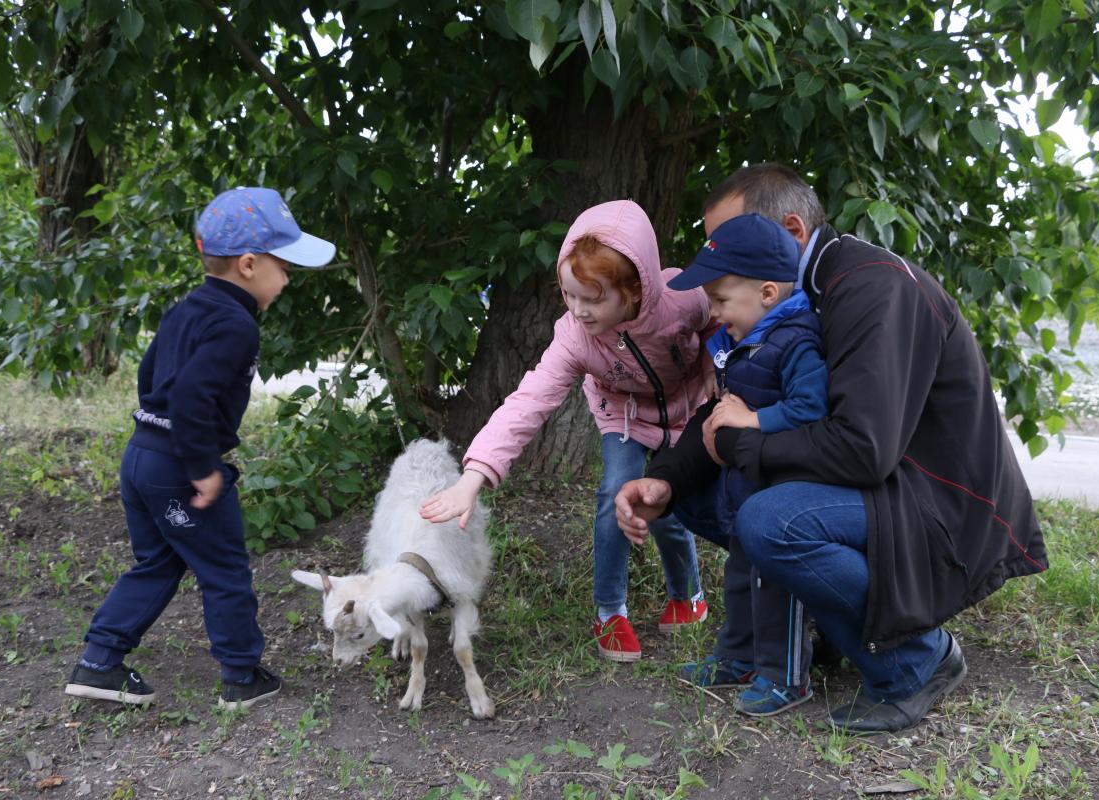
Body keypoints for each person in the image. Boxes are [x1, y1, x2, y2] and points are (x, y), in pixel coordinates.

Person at [616, 163, 1048, 733]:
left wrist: (743, 443)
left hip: (940, 505)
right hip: (883, 487)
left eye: (733, 248)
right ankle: (811, 630)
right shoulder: (791, 298)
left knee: (769, 519)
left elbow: (864, 451)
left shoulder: (873, 289)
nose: (719, 270)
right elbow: (736, 405)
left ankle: (916, 659)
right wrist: (667, 478)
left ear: (791, 233)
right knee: (696, 494)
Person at [64, 187, 336, 710]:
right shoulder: (237, 325)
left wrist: (163, 438)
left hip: (141, 456)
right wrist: (201, 465)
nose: (287, 279)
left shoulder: (184, 311)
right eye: (285, 267)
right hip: (178, 467)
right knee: (225, 569)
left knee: (158, 561)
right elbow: (190, 396)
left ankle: (99, 663)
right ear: (250, 265)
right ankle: (241, 677)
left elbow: (152, 378)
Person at [420, 200, 712, 662]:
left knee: (669, 506)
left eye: (592, 298)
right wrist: (472, 478)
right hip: (624, 416)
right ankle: (610, 611)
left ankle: (687, 596)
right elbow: (528, 402)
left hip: (683, 412)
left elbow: (721, 321)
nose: (578, 310)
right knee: (616, 491)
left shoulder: (683, 297)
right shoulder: (574, 336)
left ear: (636, 290)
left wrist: (716, 365)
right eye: (569, 294)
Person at [665, 213, 829, 717]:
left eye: (720, 300)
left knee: (779, 586)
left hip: (782, 491)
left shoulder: (796, 340)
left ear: (766, 293)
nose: (713, 313)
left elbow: (811, 408)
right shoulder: (743, 341)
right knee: (740, 575)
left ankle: (785, 676)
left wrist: (752, 418)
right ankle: (736, 656)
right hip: (745, 485)